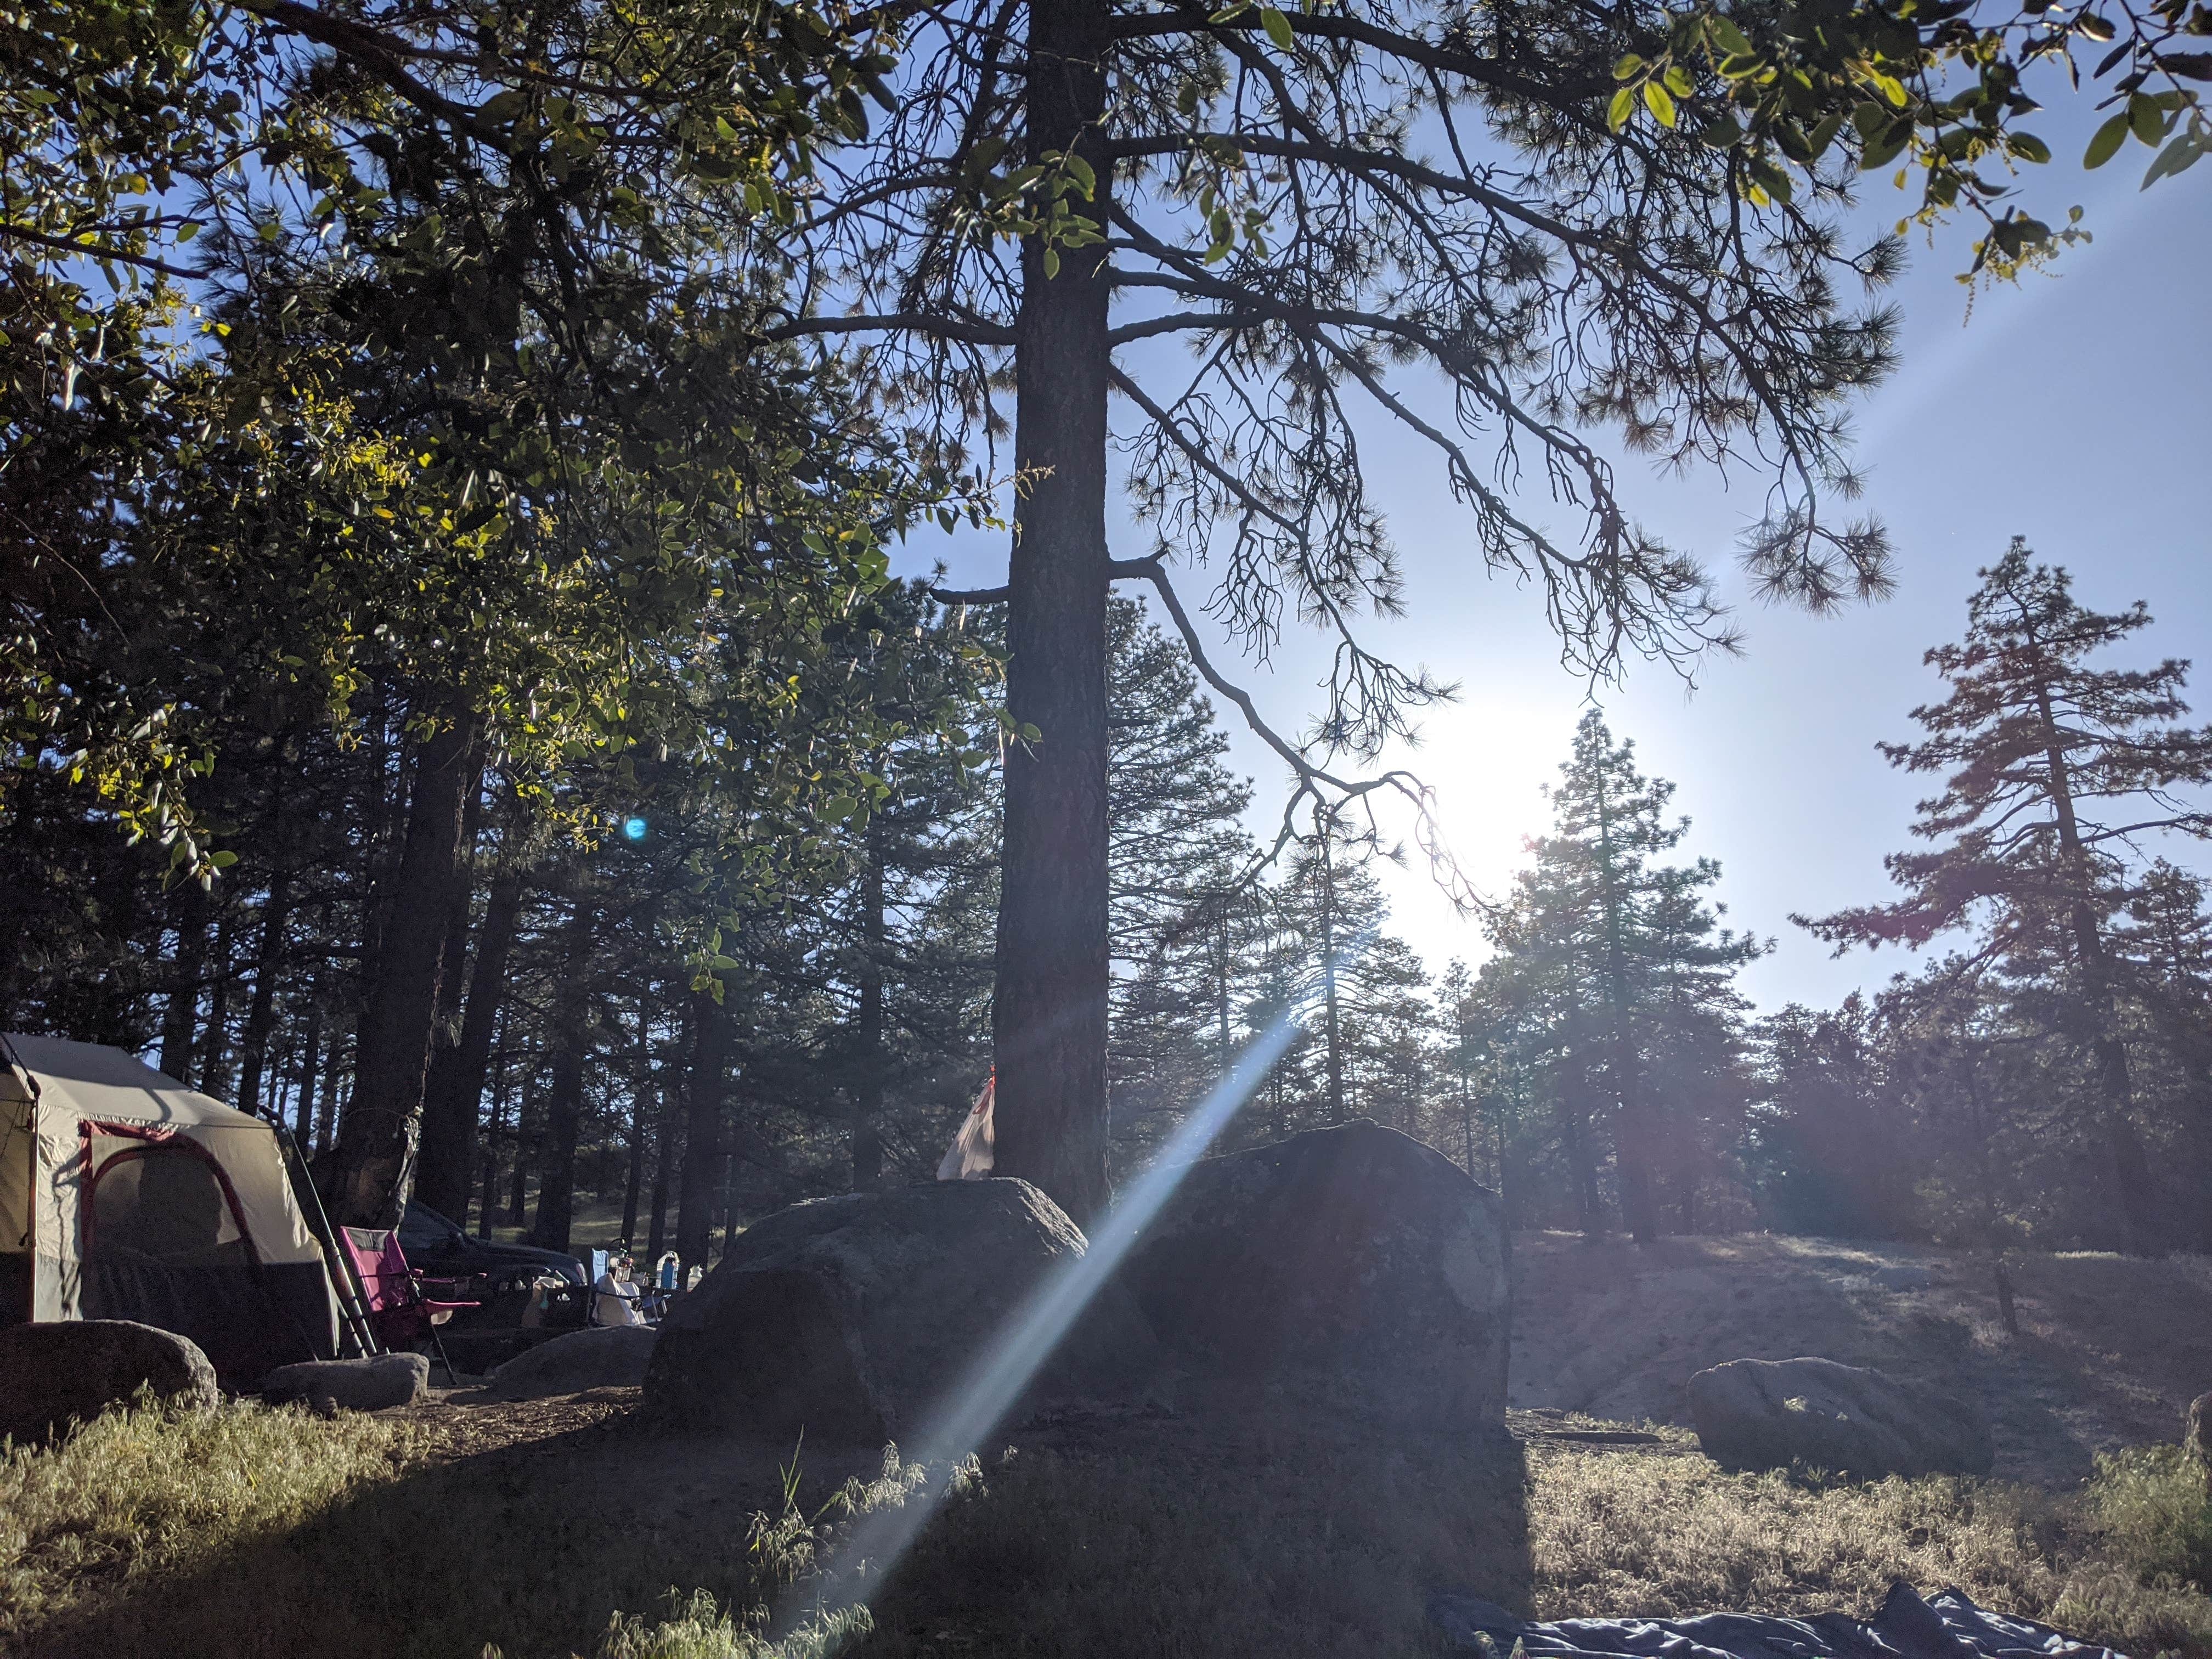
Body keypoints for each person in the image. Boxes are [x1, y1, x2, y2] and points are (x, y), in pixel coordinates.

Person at [593, 1249, 647, 1328]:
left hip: (615, 1301)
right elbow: (605, 1283)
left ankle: (635, 1316)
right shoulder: (605, 1282)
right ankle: (633, 1319)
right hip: (609, 1303)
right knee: (610, 1279)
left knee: (632, 1286)